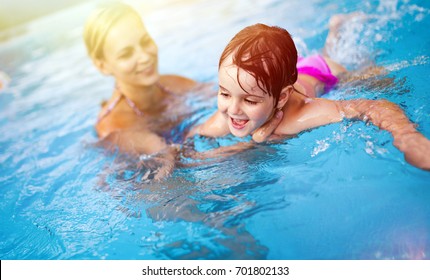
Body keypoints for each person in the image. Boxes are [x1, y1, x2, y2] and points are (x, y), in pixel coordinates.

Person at [187, 23, 430, 170]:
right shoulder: (225, 115)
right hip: (278, 77)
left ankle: (337, 30)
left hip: (322, 71)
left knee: (382, 82)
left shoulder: (303, 113)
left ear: (282, 98)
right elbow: (190, 140)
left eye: (249, 101)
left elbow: (373, 106)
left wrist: (407, 136)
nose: (233, 109)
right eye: (224, 93)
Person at [83, 3, 277, 178]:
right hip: (151, 170)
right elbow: (169, 161)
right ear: (102, 66)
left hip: (187, 144)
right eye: (126, 54)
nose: (144, 57)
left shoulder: (173, 84)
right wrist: (247, 147)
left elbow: (231, 98)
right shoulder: (115, 124)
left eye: (144, 42)